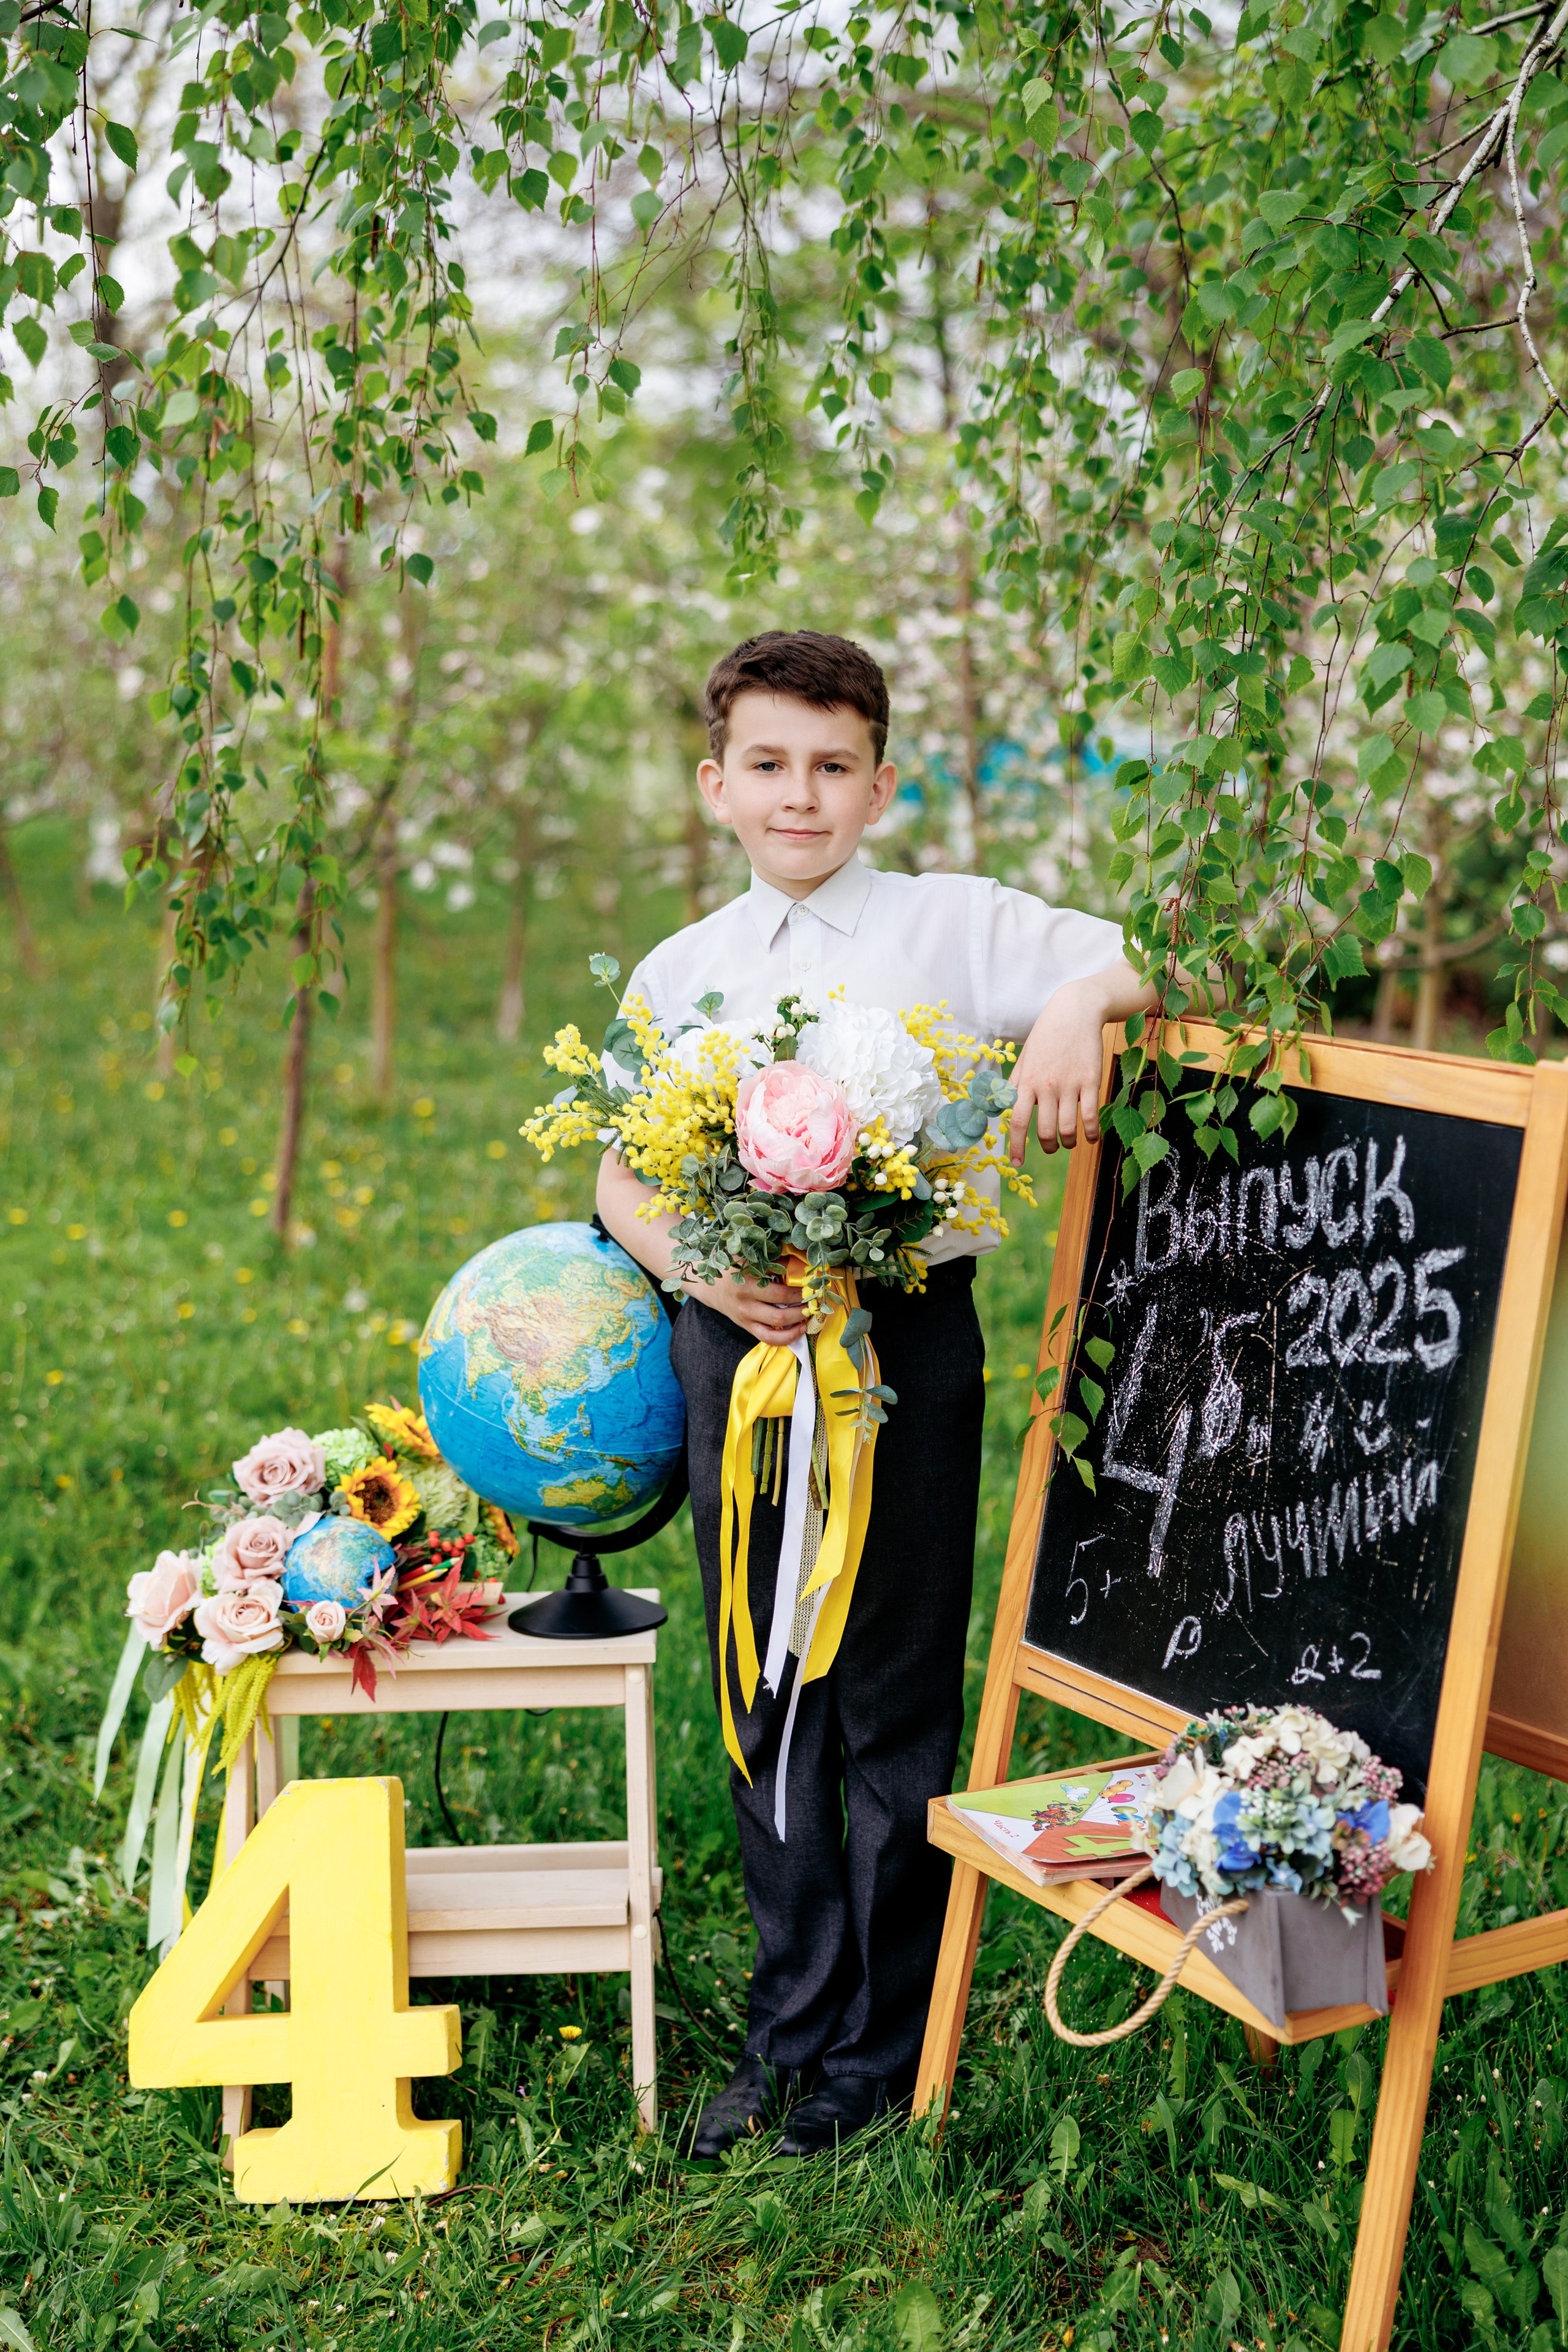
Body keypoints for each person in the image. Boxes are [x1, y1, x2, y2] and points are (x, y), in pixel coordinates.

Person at [595, 629, 1156, 2158]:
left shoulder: (953, 927)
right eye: (768, 766)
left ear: (881, 783)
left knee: (891, 1688)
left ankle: (881, 2048)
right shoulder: (680, 969)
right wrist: (698, 1275)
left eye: (832, 767)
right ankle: (790, 2034)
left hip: (903, 1345)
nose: (801, 797)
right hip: (744, 1353)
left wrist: (1072, 1004)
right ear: (715, 784)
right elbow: (618, 1168)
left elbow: (1164, 946)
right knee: (766, 1685)